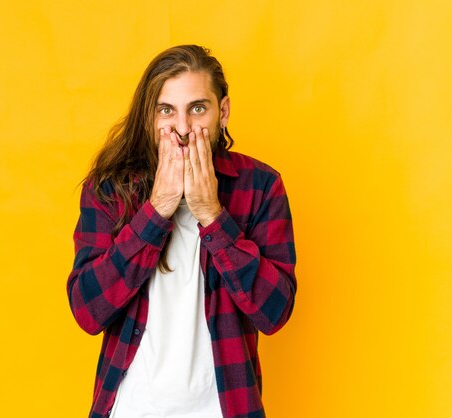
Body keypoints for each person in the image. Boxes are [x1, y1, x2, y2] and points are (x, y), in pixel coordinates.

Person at [67, 44, 297, 418]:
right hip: (130, 408)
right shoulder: (108, 189)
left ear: (222, 112)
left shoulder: (261, 186)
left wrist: (212, 214)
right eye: (166, 110)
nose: (183, 128)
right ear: (149, 118)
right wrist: (157, 209)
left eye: (198, 108)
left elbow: (275, 313)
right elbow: (87, 310)